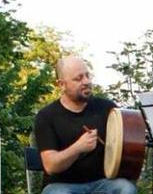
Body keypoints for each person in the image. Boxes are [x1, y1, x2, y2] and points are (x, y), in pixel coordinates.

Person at [34, 57, 137, 194]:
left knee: (126, 188)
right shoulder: (46, 116)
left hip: (103, 183)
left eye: (88, 76)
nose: (86, 81)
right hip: (62, 185)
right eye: (79, 78)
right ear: (61, 85)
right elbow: (51, 166)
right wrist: (78, 148)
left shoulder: (107, 109)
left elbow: (128, 143)